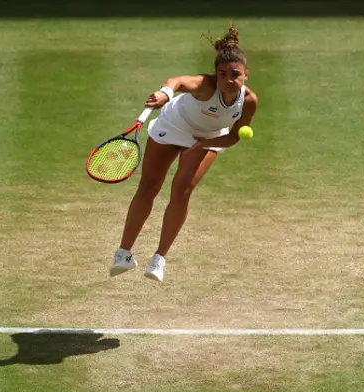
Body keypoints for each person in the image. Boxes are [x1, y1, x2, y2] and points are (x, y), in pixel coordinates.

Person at [109, 24, 258, 282]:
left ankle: (159, 259)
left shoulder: (250, 101)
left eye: (235, 74)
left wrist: (203, 144)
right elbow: (176, 82)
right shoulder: (204, 85)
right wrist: (165, 93)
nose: (228, 80)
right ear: (215, 75)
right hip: (173, 125)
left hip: (209, 137)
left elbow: (235, 134)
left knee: (182, 189)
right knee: (149, 186)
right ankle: (124, 253)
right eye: (222, 74)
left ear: (246, 74)